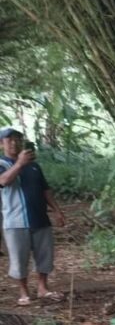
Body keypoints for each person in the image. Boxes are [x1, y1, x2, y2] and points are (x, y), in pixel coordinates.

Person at [0, 127, 66, 305]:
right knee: (19, 258)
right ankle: (24, 292)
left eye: (17, 139)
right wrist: (19, 164)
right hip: (15, 221)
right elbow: (3, 181)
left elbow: (45, 190)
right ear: (1, 144)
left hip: (40, 218)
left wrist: (57, 210)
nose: (14, 143)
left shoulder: (34, 166)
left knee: (44, 256)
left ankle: (43, 288)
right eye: (9, 140)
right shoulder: (2, 164)